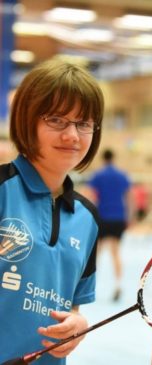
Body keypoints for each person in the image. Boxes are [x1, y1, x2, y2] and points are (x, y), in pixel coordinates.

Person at [0, 59, 104, 364]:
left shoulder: (88, 218)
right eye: (57, 120)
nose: (72, 135)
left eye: (83, 123)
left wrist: (78, 324)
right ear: (27, 120)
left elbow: (72, 305)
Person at [87, 148, 132, 301]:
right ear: (113, 158)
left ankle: (88, 287)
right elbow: (129, 196)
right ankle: (118, 285)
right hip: (119, 217)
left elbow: (90, 195)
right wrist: (130, 216)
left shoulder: (98, 175)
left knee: (96, 253)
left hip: (102, 217)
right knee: (115, 252)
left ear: (103, 158)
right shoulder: (122, 175)